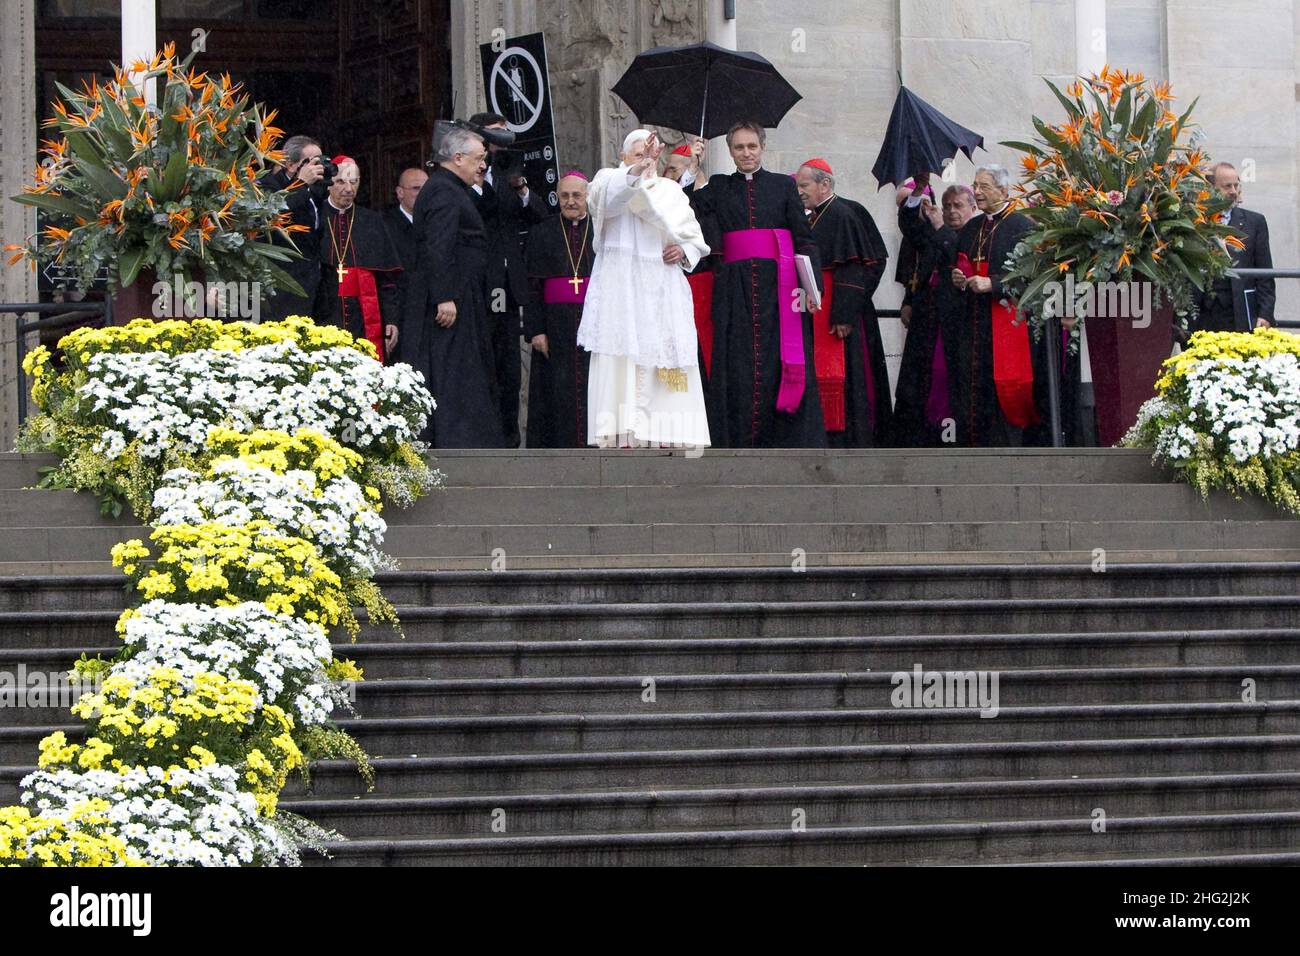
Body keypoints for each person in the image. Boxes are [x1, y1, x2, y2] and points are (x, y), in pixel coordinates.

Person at [687, 121, 826, 448]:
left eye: (752, 146)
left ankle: (784, 438)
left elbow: (804, 240)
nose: (746, 153)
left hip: (778, 289)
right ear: (731, 151)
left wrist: (811, 286)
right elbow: (685, 210)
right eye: (739, 147)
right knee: (736, 364)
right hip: (734, 291)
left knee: (779, 360)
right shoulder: (719, 186)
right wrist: (692, 170)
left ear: (762, 147)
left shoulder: (782, 186)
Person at [578, 129, 711, 449]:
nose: (647, 160)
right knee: (622, 360)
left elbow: (695, 239)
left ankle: (667, 433)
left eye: (651, 155)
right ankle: (621, 434)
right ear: (623, 158)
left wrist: (683, 251)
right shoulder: (607, 180)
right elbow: (610, 201)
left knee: (663, 355)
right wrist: (637, 170)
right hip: (621, 291)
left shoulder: (670, 190)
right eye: (638, 155)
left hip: (661, 290)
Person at [402, 126, 506, 448]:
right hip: (449, 300)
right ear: (457, 157)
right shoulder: (444, 192)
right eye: (478, 159)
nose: (483, 166)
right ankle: (457, 440)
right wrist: (445, 296)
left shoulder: (450, 188)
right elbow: (439, 247)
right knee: (453, 373)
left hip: (460, 293)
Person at [795, 158, 890, 447]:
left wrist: (845, 314)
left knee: (850, 376)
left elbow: (854, 266)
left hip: (840, 314)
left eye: (804, 185)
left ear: (824, 185)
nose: (798, 191)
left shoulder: (844, 214)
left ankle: (849, 435)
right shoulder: (814, 215)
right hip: (820, 308)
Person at [949, 165, 1042, 447]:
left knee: (1007, 391)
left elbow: (1035, 277)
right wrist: (958, 277)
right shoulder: (972, 228)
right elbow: (961, 262)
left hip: (1008, 324)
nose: (976, 192)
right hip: (974, 326)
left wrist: (994, 284)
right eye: (975, 186)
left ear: (1003, 191)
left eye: (984, 187)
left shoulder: (1023, 227)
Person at [469, 112, 545, 447]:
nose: (502, 142)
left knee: (510, 368)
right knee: (483, 365)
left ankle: (511, 439)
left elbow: (540, 216)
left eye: (505, 134)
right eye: (495, 135)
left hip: (509, 285)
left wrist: (522, 188)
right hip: (481, 286)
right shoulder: (468, 174)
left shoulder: (507, 172)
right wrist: (482, 178)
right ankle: (485, 438)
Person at [892, 181, 976, 446]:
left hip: (957, 325)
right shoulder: (932, 234)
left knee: (947, 381)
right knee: (916, 384)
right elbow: (913, 240)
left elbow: (953, 251)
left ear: (972, 208)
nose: (952, 211)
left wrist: (939, 225)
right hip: (927, 320)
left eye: (958, 206)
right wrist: (917, 195)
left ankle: (948, 437)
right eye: (948, 205)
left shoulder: (974, 234)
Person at [523, 171, 596, 448]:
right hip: (555, 324)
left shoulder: (601, 229)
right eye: (565, 195)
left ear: (587, 196)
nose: (571, 201)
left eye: (577, 195)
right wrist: (536, 330)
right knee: (555, 389)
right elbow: (532, 286)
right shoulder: (542, 231)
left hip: (593, 321)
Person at [312, 155, 403, 362]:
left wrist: (391, 319)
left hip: (364, 315)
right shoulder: (316, 216)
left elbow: (387, 280)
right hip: (326, 310)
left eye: (354, 182)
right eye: (341, 182)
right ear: (328, 184)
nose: (348, 189)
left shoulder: (372, 221)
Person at [1188, 161, 1275, 335]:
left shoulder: (1255, 222)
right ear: (1210, 188)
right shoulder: (1192, 221)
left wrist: (1265, 313)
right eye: (1227, 186)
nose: (1233, 191)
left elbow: (1265, 274)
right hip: (1203, 315)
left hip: (1240, 314)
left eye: (1236, 185)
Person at [259, 134, 326, 321]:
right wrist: (301, 184)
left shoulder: (315, 188)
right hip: (282, 286)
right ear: (290, 164)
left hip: (312, 283)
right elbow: (273, 213)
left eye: (319, 162)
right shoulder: (268, 185)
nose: (317, 168)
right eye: (310, 162)